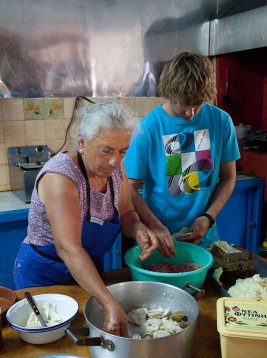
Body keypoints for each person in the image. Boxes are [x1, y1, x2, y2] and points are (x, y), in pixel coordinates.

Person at [14, 100, 158, 336]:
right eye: (106, 150)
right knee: (50, 338)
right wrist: (109, 302)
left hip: (88, 270)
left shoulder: (114, 169)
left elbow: (127, 214)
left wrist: (139, 229)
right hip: (45, 275)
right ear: (82, 143)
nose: (115, 160)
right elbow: (68, 248)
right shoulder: (61, 177)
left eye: (123, 151)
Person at [124, 50, 240, 257]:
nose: (191, 113)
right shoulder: (148, 127)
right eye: (183, 105)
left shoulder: (221, 121)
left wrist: (208, 217)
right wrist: (156, 226)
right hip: (159, 240)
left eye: (197, 104)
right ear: (169, 92)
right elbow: (129, 187)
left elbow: (229, 176)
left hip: (205, 238)